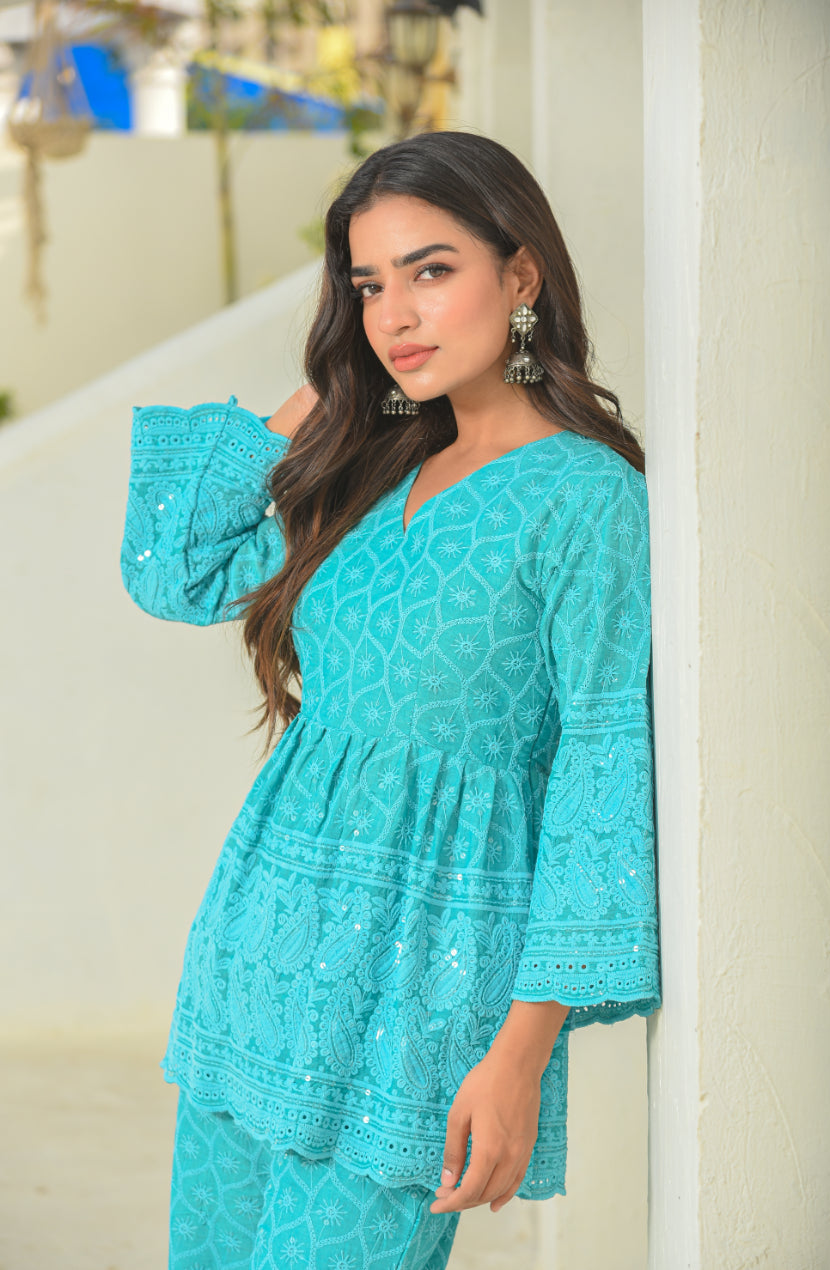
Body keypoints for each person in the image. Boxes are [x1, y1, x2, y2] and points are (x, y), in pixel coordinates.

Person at [121, 129, 660, 1270]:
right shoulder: (376, 466)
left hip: (419, 991)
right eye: (368, 286)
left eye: (430, 270)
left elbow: (597, 774)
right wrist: (328, 385)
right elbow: (171, 569)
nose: (394, 314)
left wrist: (519, 1053)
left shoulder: (584, 499)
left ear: (519, 276)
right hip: (256, 955)